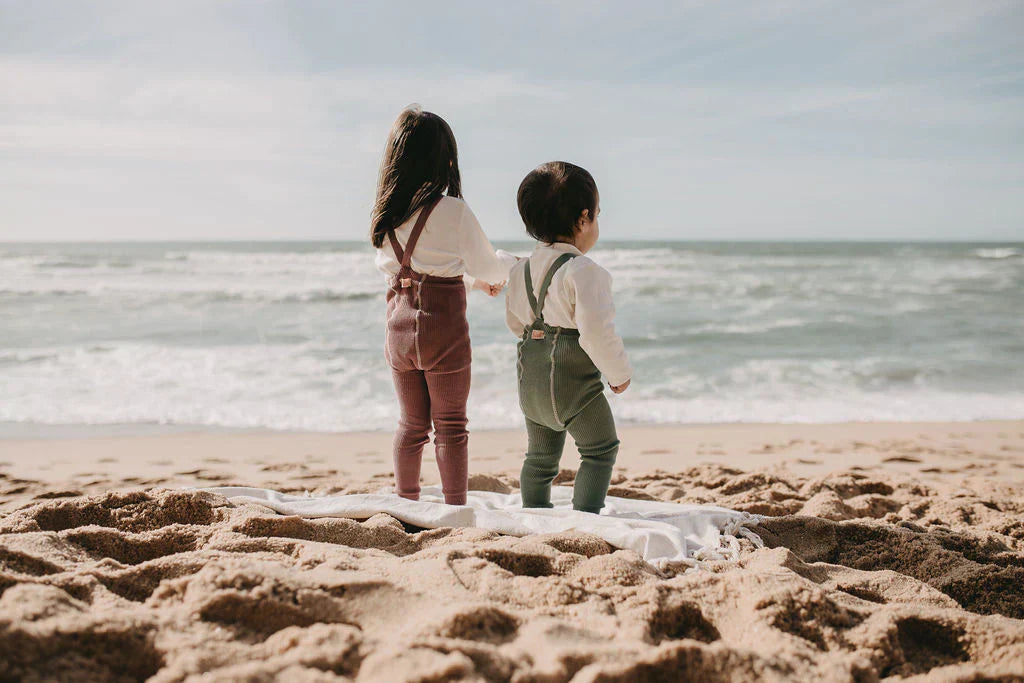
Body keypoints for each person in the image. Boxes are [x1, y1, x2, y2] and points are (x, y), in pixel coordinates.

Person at [372, 105, 513, 505]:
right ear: (444, 160)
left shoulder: (385, 218)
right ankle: (454, 506)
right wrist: (501, 268)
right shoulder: (452, 210)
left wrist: (471, 279)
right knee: (450, 425)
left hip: (398, 333)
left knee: (411, 424)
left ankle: (406, 502)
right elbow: (486, 264)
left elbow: (412, 268)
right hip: (443, 332)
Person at [505, 161, 633, 514]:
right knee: (600, 449)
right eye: (597, 216)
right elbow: (596, 333)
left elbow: (516, 324)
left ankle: (533, 511)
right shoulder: (585, 272)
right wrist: (618, 374)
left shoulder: (519, 270)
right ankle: (587, 514)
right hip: (573, 388)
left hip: (530, 384)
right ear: (582, 219)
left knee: (540, 457)